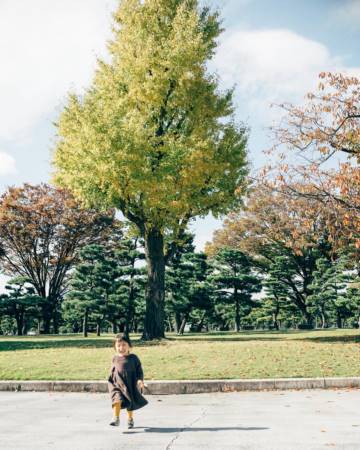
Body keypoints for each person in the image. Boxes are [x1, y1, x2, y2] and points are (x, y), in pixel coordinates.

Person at [108, 333, 148, 427]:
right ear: (115, 347)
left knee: (130, 403)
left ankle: (130, 419)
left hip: (130, 384)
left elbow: (139, 370)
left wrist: (140, 380)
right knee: (117, 399)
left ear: (129, 346)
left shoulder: (133, 358)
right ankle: (116, 418)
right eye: (118, 345)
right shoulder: (115, 358)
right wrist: (111, 383)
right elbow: (112, 372)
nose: (121, 348)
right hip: (117, 384)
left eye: (124, 345)